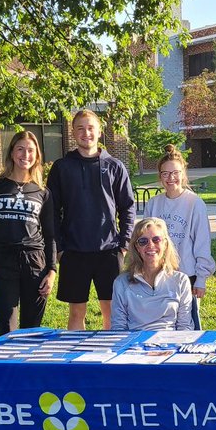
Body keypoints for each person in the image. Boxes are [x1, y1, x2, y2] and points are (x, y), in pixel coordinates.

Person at [49, 109, 136, 330]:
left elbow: (127, 207)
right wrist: (59, 248)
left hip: (109, 252)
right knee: (76, 313)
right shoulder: (62, 167)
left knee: (112, 312)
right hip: (73, 252)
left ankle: (109, 353)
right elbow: (51, 211)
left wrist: (124, 245)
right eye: (80, 128)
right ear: (73, 132)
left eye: (90, 128)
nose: (86, 133)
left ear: (99, 132)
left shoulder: (114, 166)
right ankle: (76, 353)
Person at [0, 130, 57, 335]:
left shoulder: (43, 192)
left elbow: (50, 235)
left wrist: (51, 271)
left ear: (37, 155)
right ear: (12, 153)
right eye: (20, 149)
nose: (25, 155)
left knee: (32, 329)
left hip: (35, 262)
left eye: (30, 150)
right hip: (2, 262)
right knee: (7, 326)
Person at [144, 145, 215, 329]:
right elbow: (144, 242)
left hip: (186, 275)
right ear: (160, 176)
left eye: (175, 173)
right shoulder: (153, 204)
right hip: (159, 275)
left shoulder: (194, 203)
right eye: (165, 173)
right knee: (160, 323)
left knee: (187, 324)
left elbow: (202, 243)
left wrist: (201, 278)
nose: (171, 178)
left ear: (183, 174)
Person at [110, 218, 193, 331]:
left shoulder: (181, 281)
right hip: (135, 340)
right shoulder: (121, 283)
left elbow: (185, 327)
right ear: (137, 247)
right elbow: (118, 328)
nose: (150, 245)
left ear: (165, 244)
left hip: (170, 340)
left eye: (156, 240)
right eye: (143, 241)